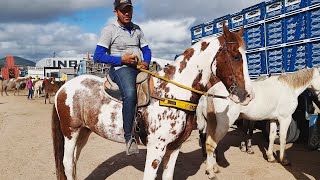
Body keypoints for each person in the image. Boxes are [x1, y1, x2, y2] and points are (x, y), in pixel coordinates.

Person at [93, 0, 151, 155]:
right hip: (120, 69)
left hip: (138, 68)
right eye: (123, 10)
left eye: (129, 10)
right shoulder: (110, 30)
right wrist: (121, 60)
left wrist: (146, 61)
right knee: (131, 94)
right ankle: (129, 137)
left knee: (156, 88)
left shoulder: (137, 29)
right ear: (116, 12)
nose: (127, 13)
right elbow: (97, 56)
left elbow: (146, 49)